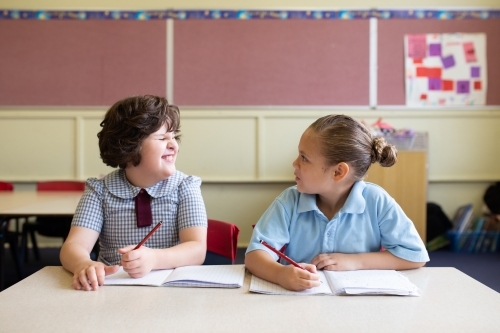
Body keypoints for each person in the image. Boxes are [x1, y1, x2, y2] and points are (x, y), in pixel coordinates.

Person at [245, 115, 429, 291]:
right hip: (300, 306)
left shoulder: (376, 200)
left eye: (304, 158)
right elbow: (255, 255)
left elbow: (415, 256)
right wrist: (280, 274)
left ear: (338, 172)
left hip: (358, 309)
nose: (295, 163)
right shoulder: (289, 201)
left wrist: (355, 262)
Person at [60, 95, 207, 291]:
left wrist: (154, 259)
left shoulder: (186, 187)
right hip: (111, 290)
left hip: (171, 290)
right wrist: (82, 264)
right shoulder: (100, 190)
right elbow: (73, 246)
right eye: (162, 138)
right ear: (129, 147)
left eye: (174, 137)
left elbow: (197, 249)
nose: (174, 145)